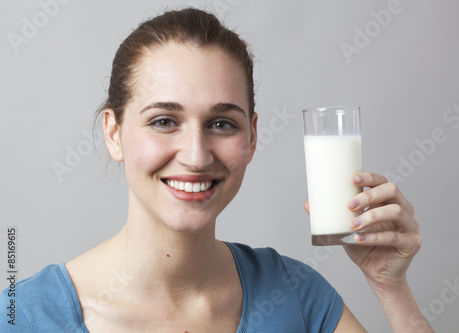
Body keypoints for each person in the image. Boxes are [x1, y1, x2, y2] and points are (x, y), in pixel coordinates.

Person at [0, 8, 433, 332]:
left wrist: (390, 287)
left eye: (222, 123)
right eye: (164, 121)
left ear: (253, 136)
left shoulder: (295, 293)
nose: (196, 155)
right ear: (113, 133)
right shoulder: (24, 315)